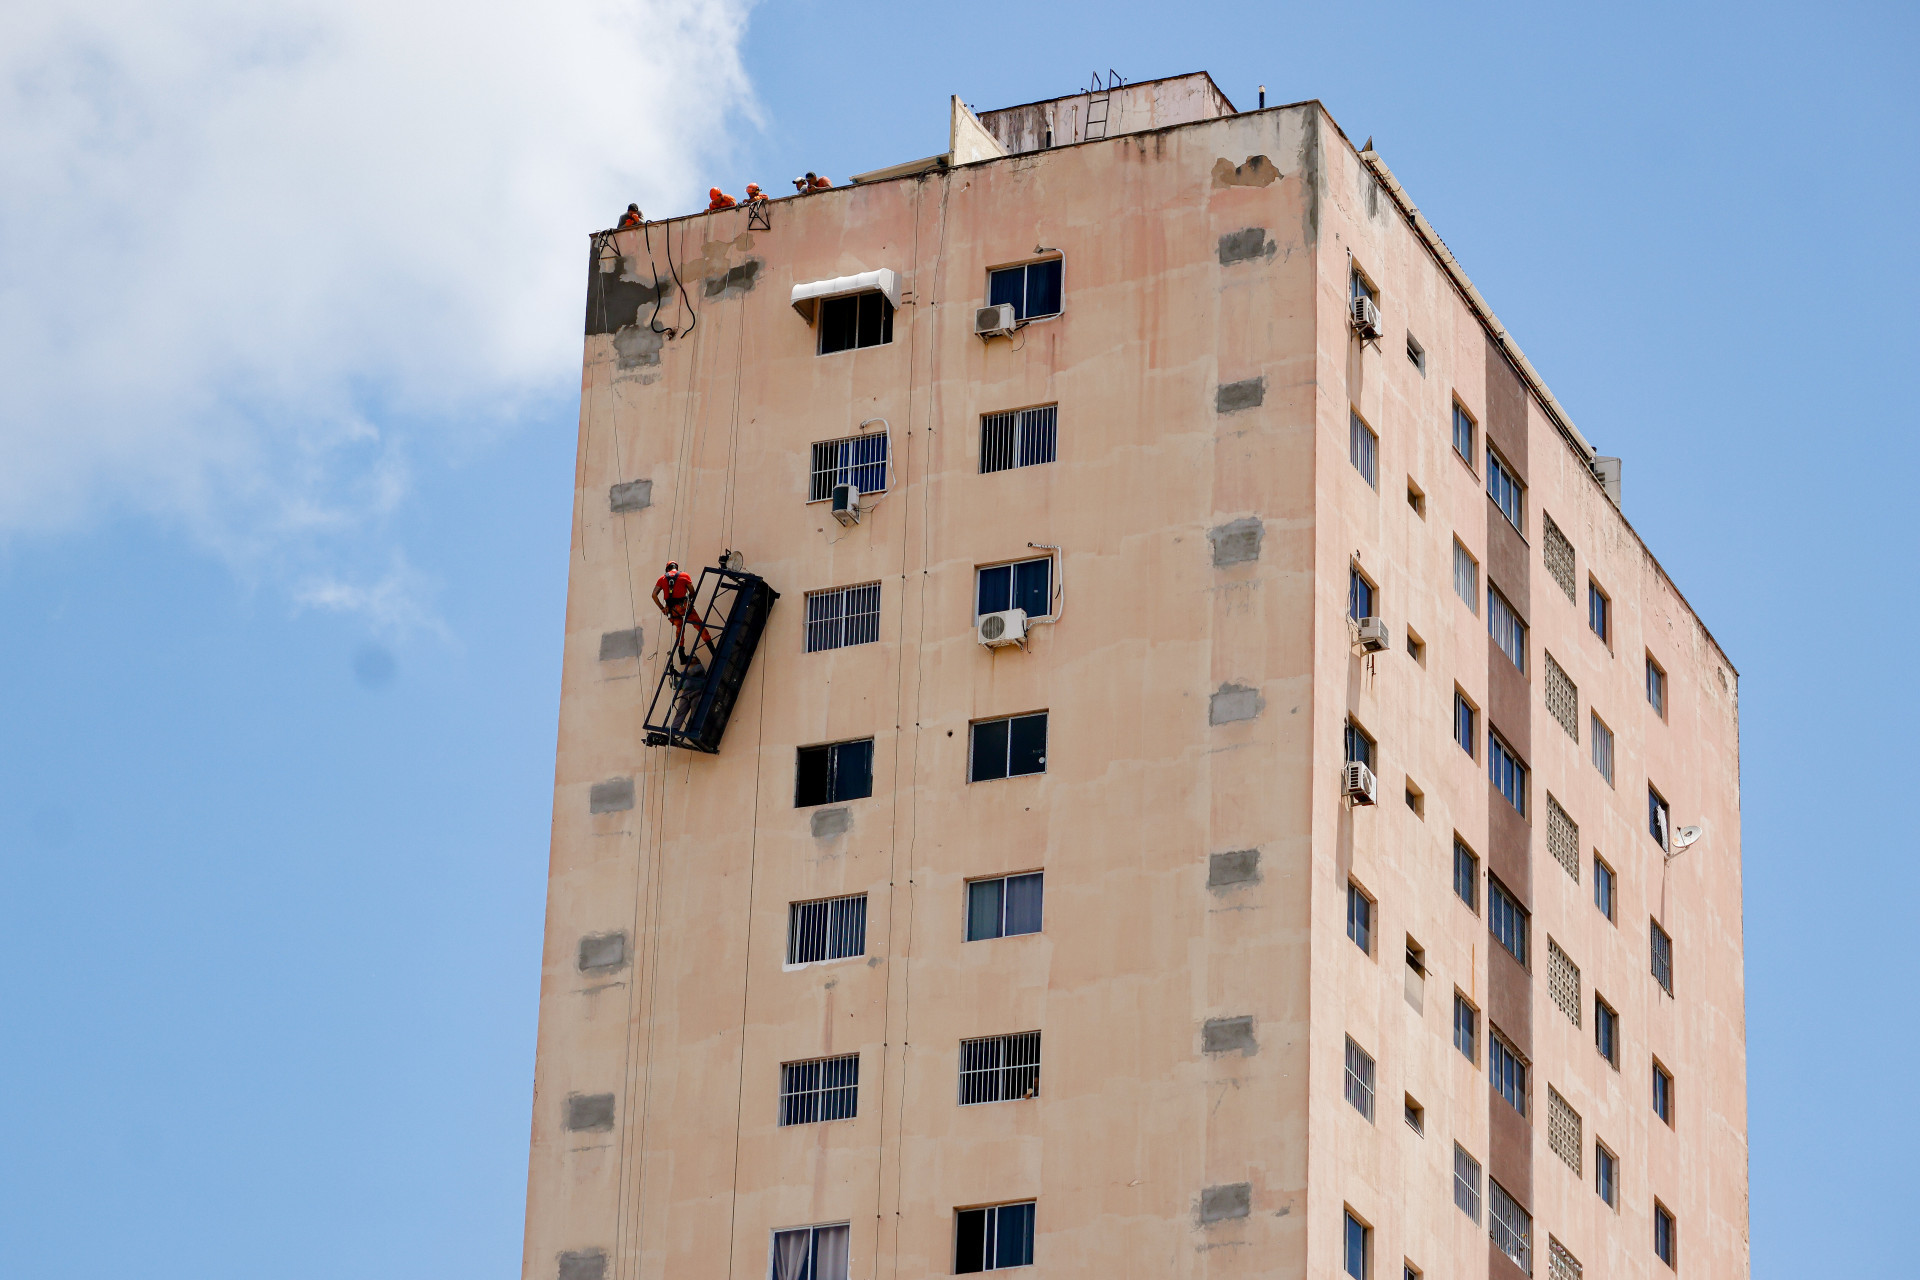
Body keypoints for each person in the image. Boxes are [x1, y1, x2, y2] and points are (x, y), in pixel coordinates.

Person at [651, 561, 714, 656]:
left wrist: (662, 608)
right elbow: (692, 592)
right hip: (684, 606)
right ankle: (713, 650)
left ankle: (681, 654)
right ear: (676, 567)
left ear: (667, 569)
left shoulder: (662, 578)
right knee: (699, 626)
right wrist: (689, 598)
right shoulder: (684, 575)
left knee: (680, 629)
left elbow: (654, 595)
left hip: (671, 610)